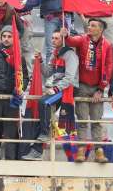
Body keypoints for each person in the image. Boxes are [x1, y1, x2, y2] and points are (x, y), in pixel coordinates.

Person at [61, 18, 113, 163]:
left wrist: (101, 89)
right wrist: (65, 36)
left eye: (93, 26)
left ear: (100, 29)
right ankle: (81, 149)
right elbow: (71, 41)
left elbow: (109, 68)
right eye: (89, 25)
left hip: (98, 87)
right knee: (83, 120)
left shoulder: (108, 45)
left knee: (97, 120)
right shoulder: (83, 39)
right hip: (82, 85)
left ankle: (99, 151)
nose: (89, 27)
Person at [21, 31, 79, 161]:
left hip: (68, 89)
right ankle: (37, 150)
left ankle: (45, 133)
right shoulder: (55, 54)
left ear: (63, 40)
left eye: (57, 38)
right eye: (52, 38)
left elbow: (69, 78)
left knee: (44, 103)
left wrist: (56, 88)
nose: (53, 40)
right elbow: (47, 73)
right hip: (58, 88)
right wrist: (40, 61)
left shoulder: (70, 55)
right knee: (42, 113)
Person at [0, 25, 29, 160]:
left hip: (12, 99)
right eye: (4, 36)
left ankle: (11, 161)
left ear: (14, 38)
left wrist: (21, 88)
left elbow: (25, 77)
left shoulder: (19, 57)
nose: (6, 39)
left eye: (9, 36)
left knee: (11, 132)